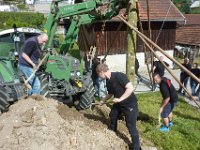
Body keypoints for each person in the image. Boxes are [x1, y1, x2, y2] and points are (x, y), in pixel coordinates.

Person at [96, 63, 140, 150]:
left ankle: (136, 147)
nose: (99, 76)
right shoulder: (108, 81)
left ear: (101, 72)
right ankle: (112, 131)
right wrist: (103, 100)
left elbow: (130, 88)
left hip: (129, 104)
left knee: (131, 126)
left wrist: (120, 99)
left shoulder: (119, 76)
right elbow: (110, 93)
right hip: (119, 103)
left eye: (98, 74)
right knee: (113, 115)